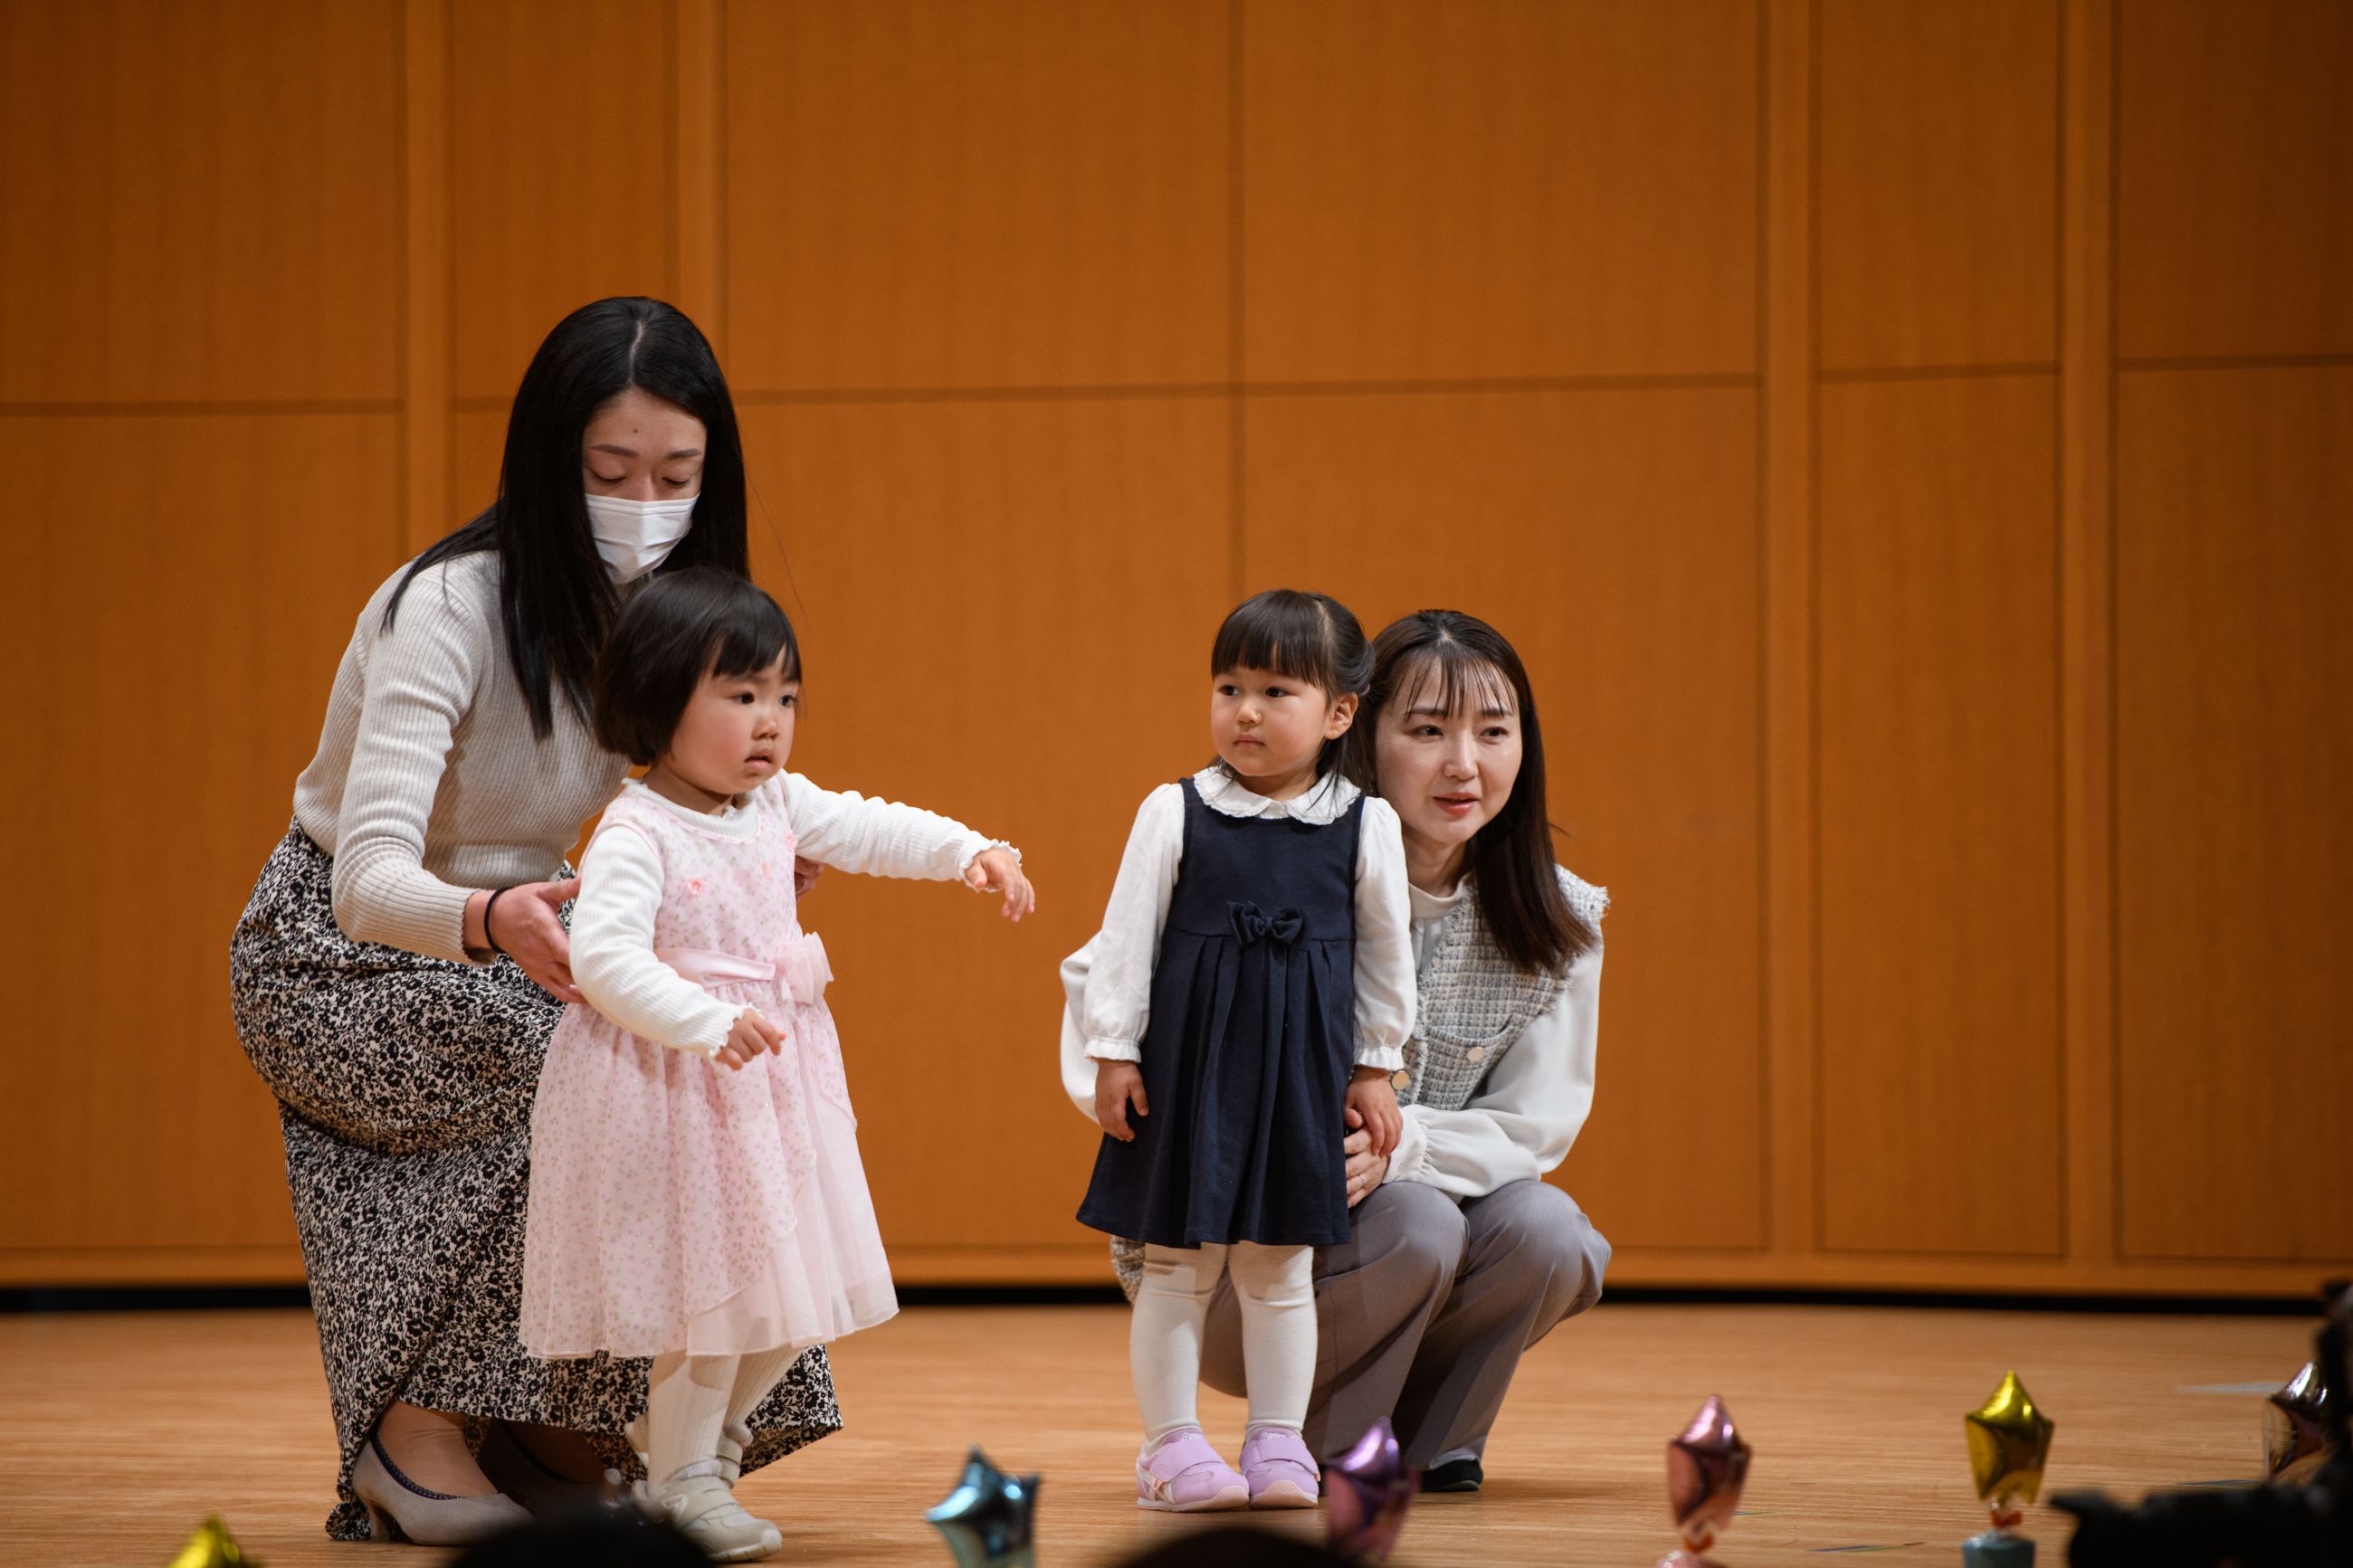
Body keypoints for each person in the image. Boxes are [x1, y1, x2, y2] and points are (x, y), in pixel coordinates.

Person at [229, 298, 841, 1544]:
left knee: (703, 1071)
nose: (643, 502)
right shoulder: (446, 606)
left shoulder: (676, 617)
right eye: (609, 472)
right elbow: (366, 877)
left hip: (531, 927)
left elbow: (692, 795)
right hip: (338, 952)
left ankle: (589, 1422)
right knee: (587, 1062)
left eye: (676, 474)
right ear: (549, 461)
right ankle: (417, 1429)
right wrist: (491, 912)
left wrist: (743, 852)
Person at [519, 568, 1033, 1561]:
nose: (771, 720)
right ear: (657, 699)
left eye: (785, 697)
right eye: (742, 694)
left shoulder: (775, 802)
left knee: (796, 1291)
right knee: (719, 1298)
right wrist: (705, 1019)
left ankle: (697, 1451)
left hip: (776, 1084)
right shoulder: (636, 828)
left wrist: (968, 849)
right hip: (681, 1086)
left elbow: (873, 824)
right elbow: (605, 959)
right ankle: (686, 1478)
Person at [1059, 608, 1610, 1495]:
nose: (1462, 763)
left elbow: (1537, 1126)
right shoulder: (1257, 844)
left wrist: (1402, 1146)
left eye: (1492, 731)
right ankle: (1317, 1443)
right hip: (1233, 1246)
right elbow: (1104, 975)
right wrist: (1158, 1096)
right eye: (1426, 730)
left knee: (1551, 1234)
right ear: (1358, 730)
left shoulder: (1562, 917)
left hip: (1393, 1238)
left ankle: (1431, 1441)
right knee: (1418, 1223)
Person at [1072, 589, 1417, 1513]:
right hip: (1188, 1075)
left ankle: (1277, 1439)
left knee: (1279, 1265)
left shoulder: (1366, 824)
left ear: (1339, 713)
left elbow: (1385, 955)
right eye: (1229, 687)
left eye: (1274, 690)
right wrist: (1114, 1051)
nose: (1245, 711)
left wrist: (1375, 1064)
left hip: (1298, 1078)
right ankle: (1169, 1447)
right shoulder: (1174, 809)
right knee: (1176, 1264)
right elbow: (1124, 941)